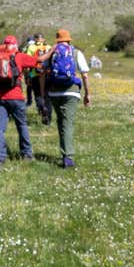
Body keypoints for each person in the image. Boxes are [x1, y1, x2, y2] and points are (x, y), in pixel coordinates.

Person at [0, 35, 40, 169]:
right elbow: (39, 60)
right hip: (16, 97)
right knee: (22, 125)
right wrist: (51, 51)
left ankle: (0, 158)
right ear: (15, 45)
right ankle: (27, 154)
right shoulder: (18, 56)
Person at [38, 28, 90, 168]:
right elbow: (85, 74)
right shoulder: (76, 53)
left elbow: (42, 73)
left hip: (54, 92)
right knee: (68, 123)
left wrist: (43, 94)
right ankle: (68, 157)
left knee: (61, 121)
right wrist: (87, 94)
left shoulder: (52, 53)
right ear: (69, 40)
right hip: (71, 92)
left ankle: (64, 153)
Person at [23, 34, 51, 124]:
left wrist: (27, 76)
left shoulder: (31, 48)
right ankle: (48, 118)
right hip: (47, 74)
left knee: (38, 94)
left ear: (35, 39)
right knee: (47, 95)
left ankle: (42, 109)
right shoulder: (49, 47)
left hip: (35, 74)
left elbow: (27, 63)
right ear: (43, 38)